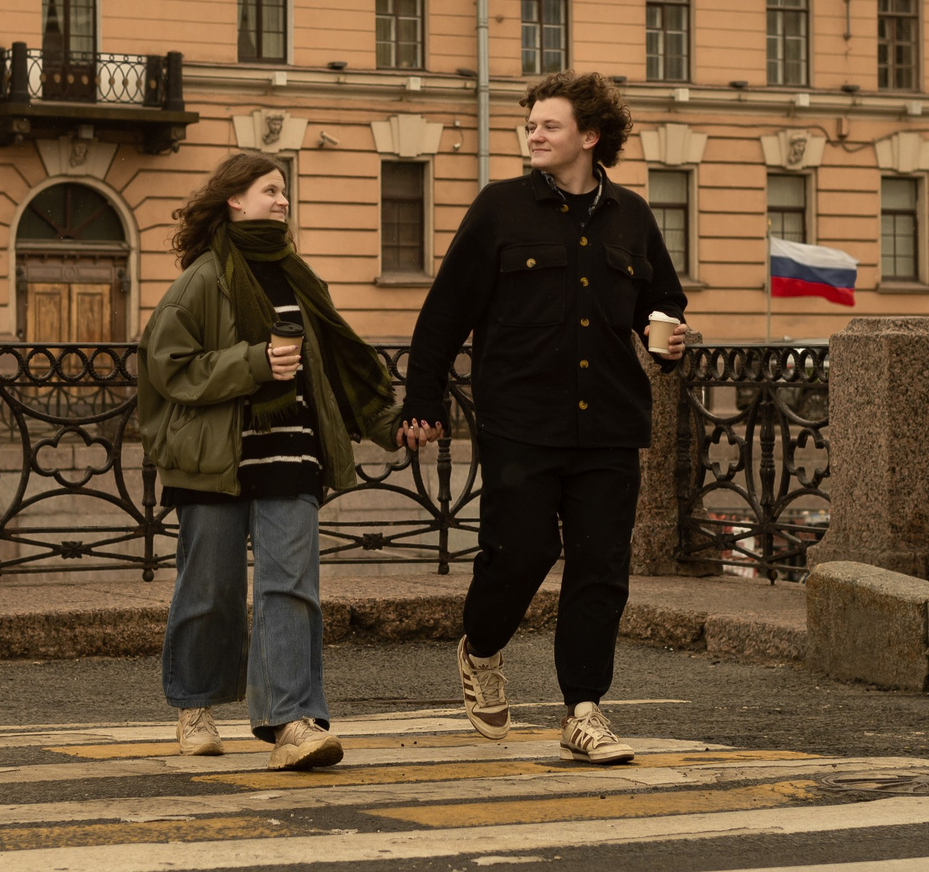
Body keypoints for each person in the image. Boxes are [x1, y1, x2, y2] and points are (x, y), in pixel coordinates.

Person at [397, 71, 688, 764]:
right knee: (521, 551)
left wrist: (669, 341)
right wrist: (422, 399)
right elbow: (444, 314)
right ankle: (483, 643)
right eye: (530, 124)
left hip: (610, 426)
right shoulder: (499, 209)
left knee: (600, 568)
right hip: (520, 420)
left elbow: (664, 305)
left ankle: (583, 708)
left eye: (549, 125)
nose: (534, 133)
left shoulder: (633, 216)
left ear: (589, 137)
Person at [137, 152, 402, 770]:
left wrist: (392, 424)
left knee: (292, 590)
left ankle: (293, 722)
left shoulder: (298, 276)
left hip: (292, 452)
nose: (282, 201)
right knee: (211, 591)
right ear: (234, 199)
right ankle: (196, 704)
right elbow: (167, 368)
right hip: (214, 460)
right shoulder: (202, 279)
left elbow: (334, 367)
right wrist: (253, 363)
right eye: (270, 190)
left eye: (284, 191)